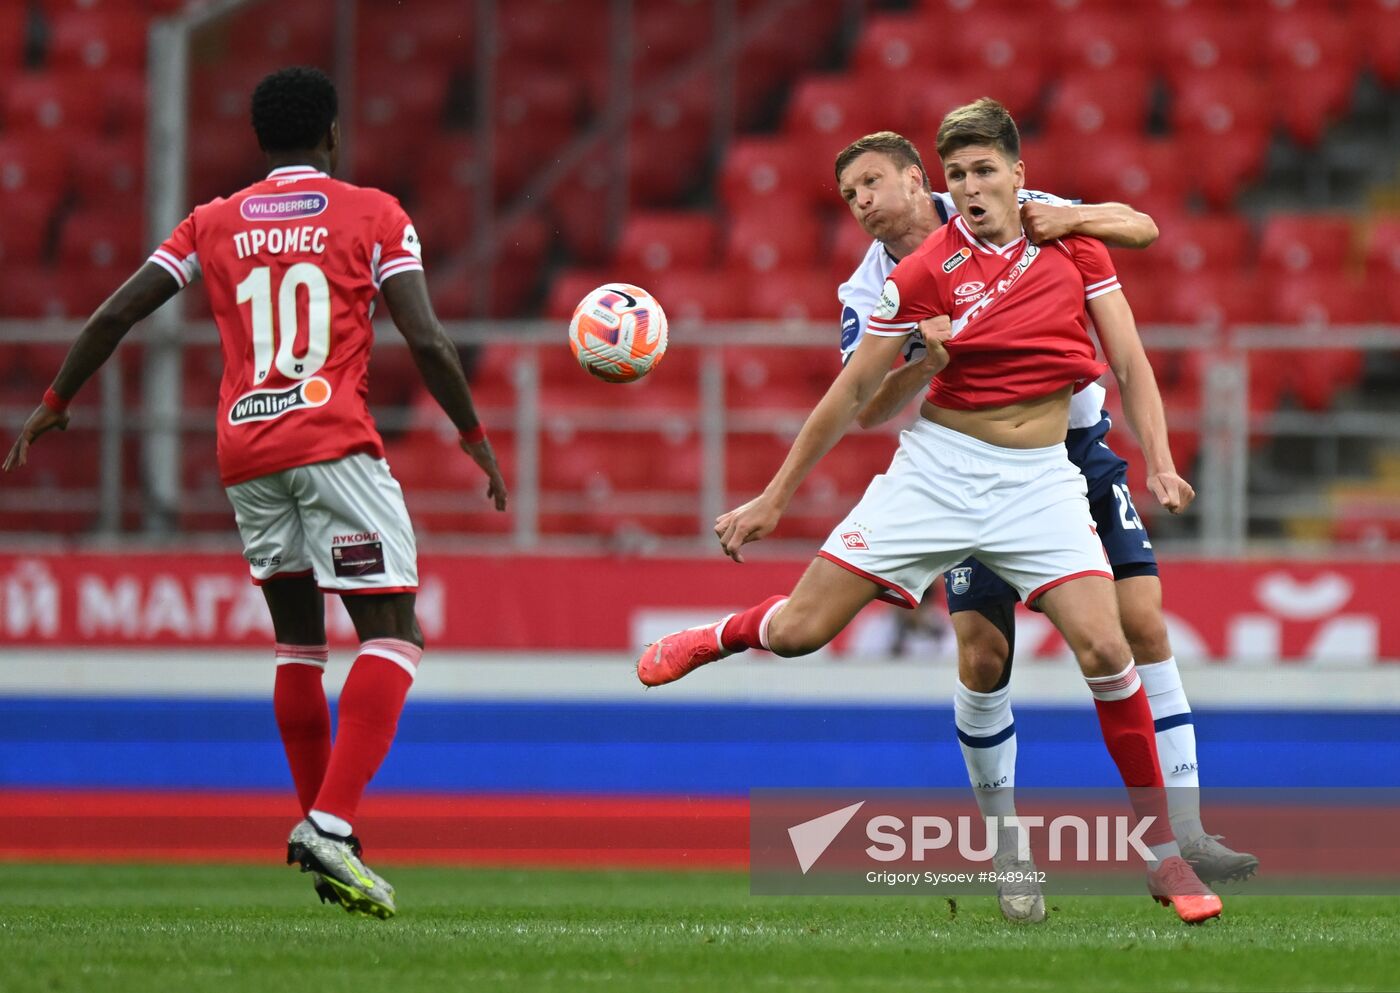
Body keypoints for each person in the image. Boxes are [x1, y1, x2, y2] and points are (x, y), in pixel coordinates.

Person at [637, 98, 1221, 924]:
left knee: (1106, 643)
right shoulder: (907, 279)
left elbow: (1128, 353)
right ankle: (721, 634)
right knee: (807, 633)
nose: (973, 187)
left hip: (1042, 478)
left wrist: (1159, 460)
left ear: (1017, 174)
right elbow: (851, 399)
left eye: (984, 171)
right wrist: (775, 496)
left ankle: (1165, 857)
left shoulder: (1068, 236)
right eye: (962, 174)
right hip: (940, 474)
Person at [2, 66, 507, 920]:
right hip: (332, 444)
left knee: (298, 643)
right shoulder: (375, 213)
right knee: (395, 631)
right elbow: (426, 339)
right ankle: (332, 823)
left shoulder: (214, 220)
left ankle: (327, 837)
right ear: (333, 136)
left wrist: (55, 403)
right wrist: (473, 436)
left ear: (257, 140)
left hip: (246, 452)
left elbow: (114, 315)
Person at [833, 131, 1257, 922]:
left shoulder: (1017, 208)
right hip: (973, 468)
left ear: (912, 180)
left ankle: (1187, 836)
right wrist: (923, 360)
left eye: (871, 183)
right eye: (848, 193)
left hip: (1078, 453)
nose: (860, 202)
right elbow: (865, 404)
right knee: (984, 652)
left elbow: (1137, 232)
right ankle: (1009, 853)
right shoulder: (870, 291)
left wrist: (1072, 218)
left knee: (1138, 625)